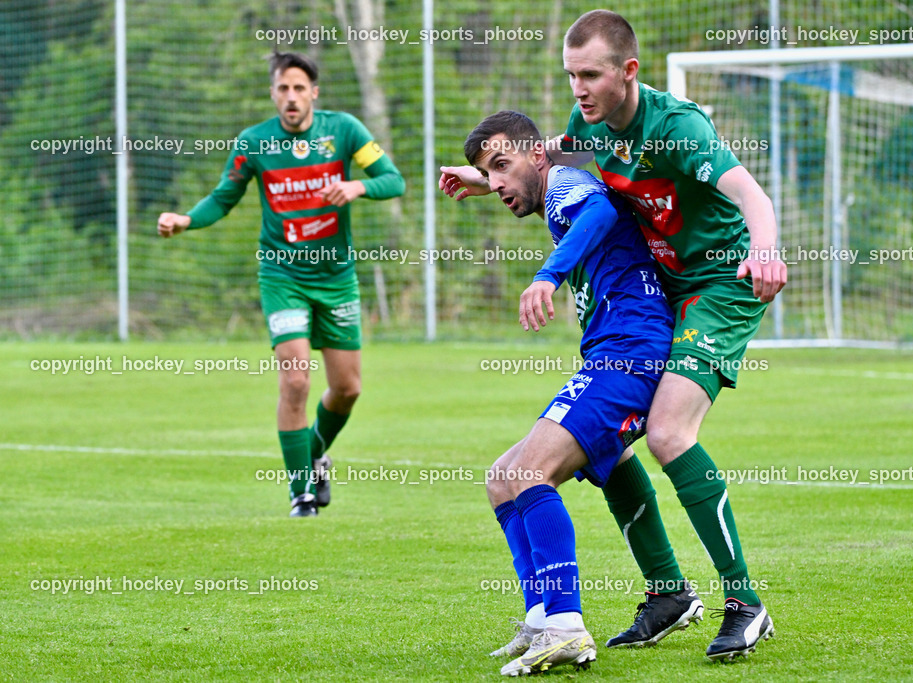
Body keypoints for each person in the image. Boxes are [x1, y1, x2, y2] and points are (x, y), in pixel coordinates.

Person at [440, 10, 784, 662]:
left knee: (668, 433)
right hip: (663, 289)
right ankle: (668, 592)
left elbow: (751, 194)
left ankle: (744, 601)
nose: (579, 89)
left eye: (591, 75)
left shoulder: (678, 128)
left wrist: (765, 250)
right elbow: (543, 168)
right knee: (613, 449)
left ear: (628, 71)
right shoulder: (584, 129)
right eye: (571, 75)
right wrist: (488, 180)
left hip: (719, 282)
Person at [463, 110, 698, 676]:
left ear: (537, 155)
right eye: (488, 173)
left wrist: (549, 275)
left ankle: (567, 627)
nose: (496, 183)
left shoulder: (567, 186)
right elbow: (532, 176)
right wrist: (484, 176)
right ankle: (542, 616)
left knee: (529, 472)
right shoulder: (553, 182)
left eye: (502, 167)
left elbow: (599, 211)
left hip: (630, 353)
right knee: (502, 478)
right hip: (613, 354)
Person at [158, 52, 405, 517]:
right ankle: (301, 494)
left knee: (348, 389)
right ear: (272, 94)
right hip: (282, 275)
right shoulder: (253, 143)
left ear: (314, 93)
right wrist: (186, 219)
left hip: (336, 276)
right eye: (282, 89)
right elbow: (223, 197)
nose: (291, 97)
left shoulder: (345, 131)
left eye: (299, 88)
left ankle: (313, 455)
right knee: (295, 379)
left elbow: (394, 181)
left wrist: (357, 187)